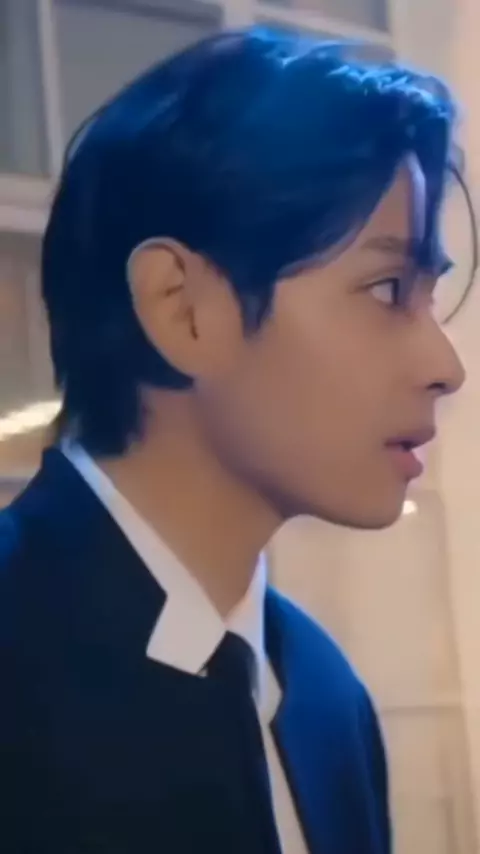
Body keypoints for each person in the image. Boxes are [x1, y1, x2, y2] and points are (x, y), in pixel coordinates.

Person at [0, 27, 465, 854]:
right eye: (386, 288)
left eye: (429, 296)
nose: (446, 366)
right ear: (181, 307)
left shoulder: (325, 696)